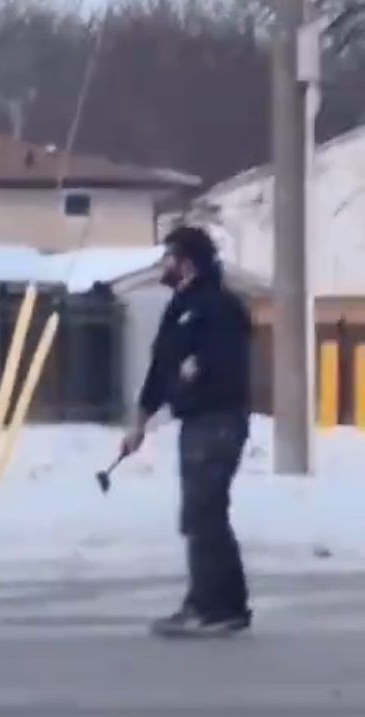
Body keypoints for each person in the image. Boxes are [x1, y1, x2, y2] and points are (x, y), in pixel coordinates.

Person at [121, 226, 253, 638]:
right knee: (206, 513)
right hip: (197, 422)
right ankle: (228, 604)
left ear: (188, 263)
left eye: (169, 257)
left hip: (218, 420)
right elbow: (161, 367)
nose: (163, 265)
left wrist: (200, 367)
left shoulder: (219, 306)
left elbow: (226, 358)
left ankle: (209, 607)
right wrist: (140, 421)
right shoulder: (180, 306)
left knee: (203, 512)